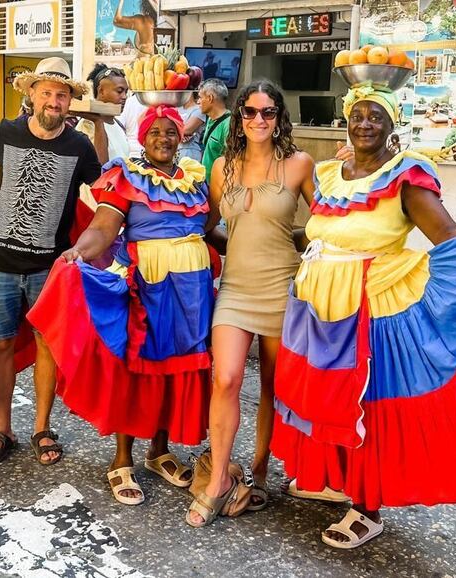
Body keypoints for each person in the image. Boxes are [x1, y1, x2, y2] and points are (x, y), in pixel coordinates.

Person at [270, 82, 456, 548]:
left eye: (376, 115)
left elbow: (447, 234)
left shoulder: (405, 177)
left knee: (364, 404)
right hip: (317, 304)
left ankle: (366, 508)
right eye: (358, 114)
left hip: (372, 305)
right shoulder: (328, 174)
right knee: (323, 396)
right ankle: (333, 479)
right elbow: (318, 232)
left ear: (392, 125)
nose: (365, 122)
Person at [28, 105, 216, 505]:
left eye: (171, 132)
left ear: (181, 136)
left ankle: (159, 451)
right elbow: (103, 227)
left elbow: (209, 229)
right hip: (149, 285)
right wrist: (78, 251)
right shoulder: (127, 175)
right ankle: (121, 459)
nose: (164, 138)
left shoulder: (196, 180)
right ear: (142, 138)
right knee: (137, 369)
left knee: (175, 369)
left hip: (193, 290)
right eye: (155, 132)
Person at [186, 80, 317, 527]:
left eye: (268, 112)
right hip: (236, 289)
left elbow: (325, 226)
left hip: (282, 286)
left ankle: (259, 472)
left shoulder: (299, 164)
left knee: (272, 388)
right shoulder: (222, 166)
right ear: (239, 117)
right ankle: (220, 478)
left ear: (280, 118)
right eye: (250, 112)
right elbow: (206, 225)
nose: (259, 120)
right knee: (225, 378)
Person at [0, 57, 102, 468]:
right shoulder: (5, 132)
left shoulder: (79, 145)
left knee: (47, 346)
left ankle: (42, 427)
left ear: (69, 102)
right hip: (1, 262)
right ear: (32, 95)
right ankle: (2, 428)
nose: (54, 101)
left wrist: (103, 125)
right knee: (1, 345)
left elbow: (104, 181)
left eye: (62, 95)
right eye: (47, 93)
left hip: (50, 267)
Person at [76, 64, 130, 163]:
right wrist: (98, 122)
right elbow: (98, 167)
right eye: (119, 91)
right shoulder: (87, 125)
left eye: (126, 92)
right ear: (101, 91)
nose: (124, 97)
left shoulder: (118, 124)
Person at [198, 79, 231, 183]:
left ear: (210, 98)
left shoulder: (229, 124)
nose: (198, 101)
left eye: (200, 97)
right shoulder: (210, 119)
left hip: (219, 186)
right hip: (206, 185)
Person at [177, 91, 205, 161]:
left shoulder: (199, 110)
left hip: (190, 152)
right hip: (175, 151)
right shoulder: (177, 109)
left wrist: (170, 130)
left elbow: (187, 130)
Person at [118, 94, 148, 158]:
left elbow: (119, 128)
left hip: (132, 154)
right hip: (134, 155)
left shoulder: (129, 102)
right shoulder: (129, 102)